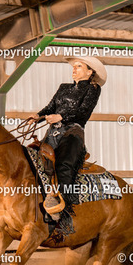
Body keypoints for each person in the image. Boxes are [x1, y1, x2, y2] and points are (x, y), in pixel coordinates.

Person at [28, 56, 107, 221]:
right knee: (32, 158)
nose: (74, 69)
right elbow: (50, 107)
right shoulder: (63, 87)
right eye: (74, 66)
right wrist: (37, 116)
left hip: (73, 132)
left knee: (64, 165)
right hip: (53, 132)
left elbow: (83, 111)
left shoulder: (93, 89)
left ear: (90, 72)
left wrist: (61, 116)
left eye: (79, 66)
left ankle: (61, 209)